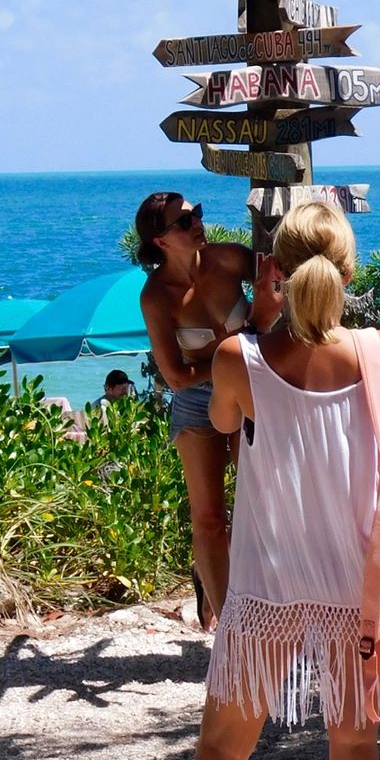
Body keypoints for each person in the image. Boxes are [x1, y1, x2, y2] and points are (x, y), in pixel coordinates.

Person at [98, 200, 380, 760]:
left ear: (273, 270)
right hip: (352, 582)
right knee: (354, 748)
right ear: (347, 270)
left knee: (222, 753)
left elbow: (225, 423)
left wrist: (263, 319)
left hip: (268, 579)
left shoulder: (241, 358)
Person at [134, 192, 280, 627]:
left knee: (260, 506)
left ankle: (258, 600)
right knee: (210, 517)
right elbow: (175, 378)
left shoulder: (232, 260)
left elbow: (280, 283)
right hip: (197, 403)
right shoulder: (157, 296)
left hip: (251, 390)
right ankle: (229, 626)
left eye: (195, 214)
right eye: (182, 222)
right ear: (160, 242)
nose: (196, 222)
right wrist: (240, 339)